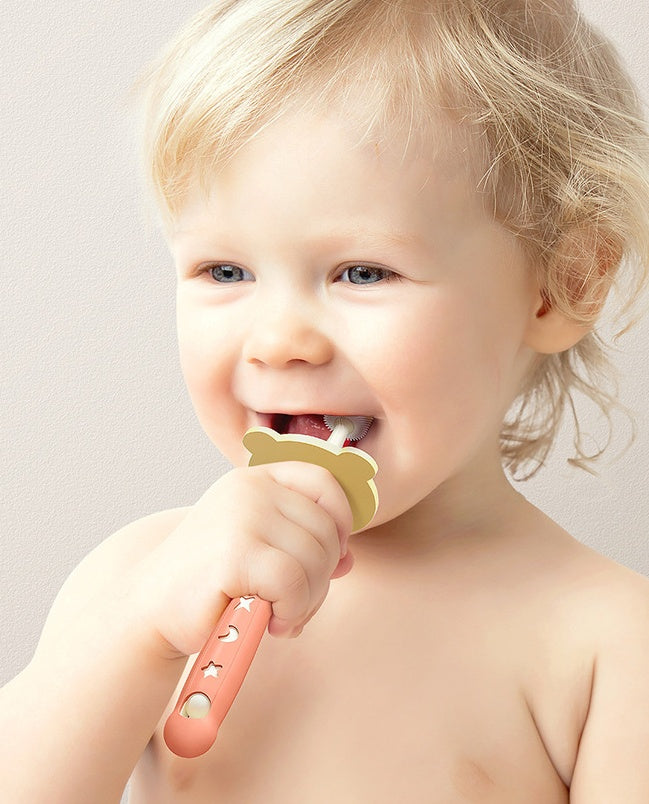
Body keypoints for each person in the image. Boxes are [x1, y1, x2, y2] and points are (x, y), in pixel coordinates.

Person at [3, 0, 649, 800]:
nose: (279, 341)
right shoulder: (143, 581)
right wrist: (136, 637)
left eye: (361, 272)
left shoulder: (606, 644)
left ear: (562, 285)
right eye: (224, 271)